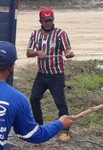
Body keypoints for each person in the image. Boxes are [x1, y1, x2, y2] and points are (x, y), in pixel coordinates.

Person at [26, 8, 75, 142]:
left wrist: (69, 54)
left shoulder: (61, 34)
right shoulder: (35, 34)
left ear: (53, 20)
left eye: (50, 20)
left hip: (56, 75)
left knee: (60, 103)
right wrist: (37, 53)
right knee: (34, 98)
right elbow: (28, 52)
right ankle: (39, 125)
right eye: (45, 21)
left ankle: (65, 131)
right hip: (42, 74)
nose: (48, 23)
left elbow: (67, 50)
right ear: (40, 21)